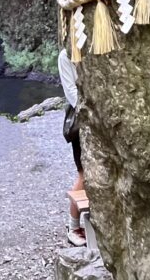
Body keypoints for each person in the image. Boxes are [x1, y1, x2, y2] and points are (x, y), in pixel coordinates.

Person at [59, 47, 86, 247]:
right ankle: (73, 225)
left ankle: (88, 223)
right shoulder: (65, 56)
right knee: (84, 174)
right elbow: (72, 93)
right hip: (82, 123)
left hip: (94, 119)